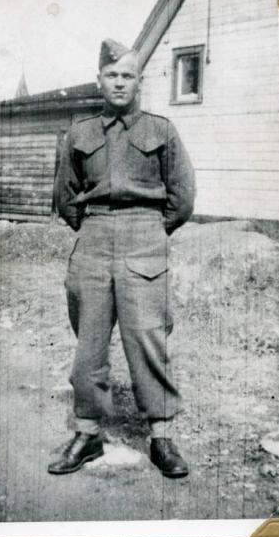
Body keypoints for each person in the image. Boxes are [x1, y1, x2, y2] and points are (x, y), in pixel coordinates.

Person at [49, 38, 195, 478]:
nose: (119, 82)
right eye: (111, 75)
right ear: (99, 81)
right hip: (93, 239)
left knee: (147, 338)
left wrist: (152, 227)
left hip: (145, 236)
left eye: (127, 75)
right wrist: (92, 224)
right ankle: (88, 433)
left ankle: (161, 435)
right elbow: (65, 195)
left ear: (139, 82)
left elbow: (182, 196)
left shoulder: (162, 130)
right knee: (89, 344)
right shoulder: (80, 131)